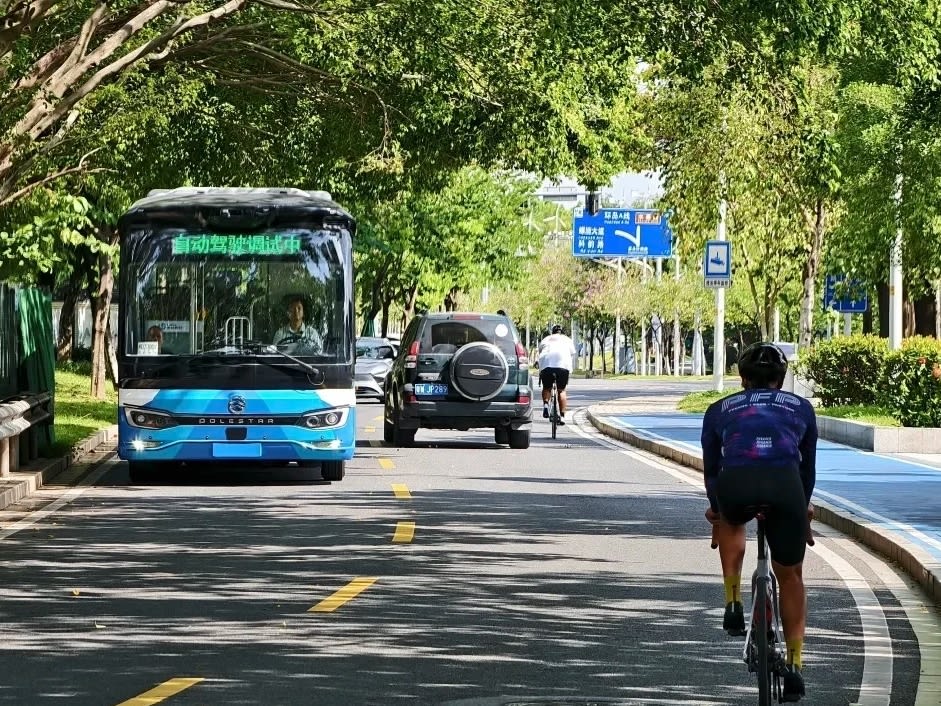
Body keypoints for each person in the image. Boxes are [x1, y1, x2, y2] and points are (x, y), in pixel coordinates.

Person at [701, 342, 817, 702]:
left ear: (742, 379)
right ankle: (796, 665)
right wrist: (803, 509)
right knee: (791, 574)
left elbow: (711, 470)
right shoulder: (801, 407)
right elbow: (807, 469)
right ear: (781, 381)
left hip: (736, 482)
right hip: (786, 487)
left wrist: (715, 511)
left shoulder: (720, 408)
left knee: (731, 522)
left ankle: (733, 600)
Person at [537, 324, 576, 424]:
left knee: (546, 388)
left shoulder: (546, 339)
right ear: (561, 332)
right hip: (562, 366)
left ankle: (546, 405)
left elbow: (541, 351)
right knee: (561, 391)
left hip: (547, 366)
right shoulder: (567, 339)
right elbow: (572, 353)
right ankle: (562, 416)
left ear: (552, 332)